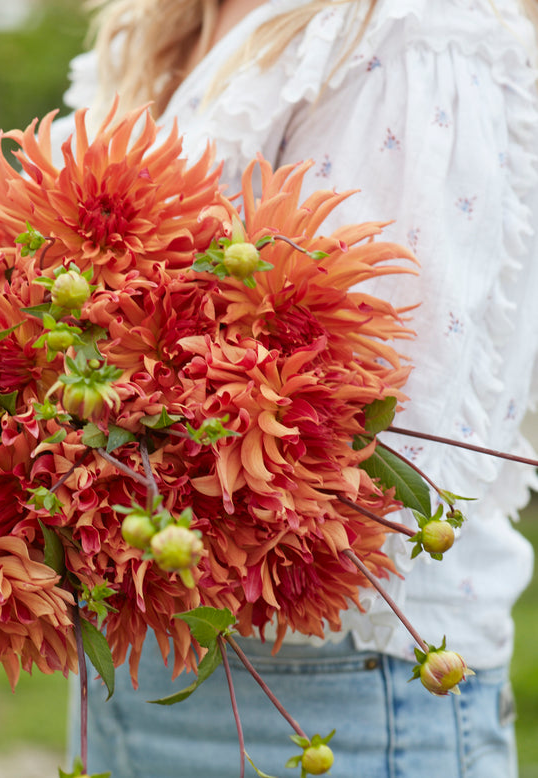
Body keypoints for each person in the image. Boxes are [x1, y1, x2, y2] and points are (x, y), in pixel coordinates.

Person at [53, 1, 538, 776]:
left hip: (325, 688)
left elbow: (367, 428)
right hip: (152, 654)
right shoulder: (184, 18)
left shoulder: (404, 34)